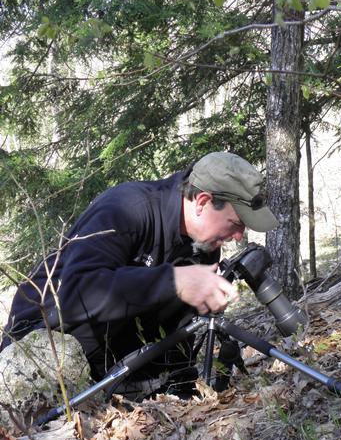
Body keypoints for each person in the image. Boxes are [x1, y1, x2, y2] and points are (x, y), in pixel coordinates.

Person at [0, 152, 277, 397]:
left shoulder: (203, 244)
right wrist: (175, 282)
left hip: (116, 361)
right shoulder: (127, 209)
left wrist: (182, 383)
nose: (239, 236)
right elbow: (77, 294)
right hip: (43, 345)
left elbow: (178, 327)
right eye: (235, 223)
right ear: (202, 201)